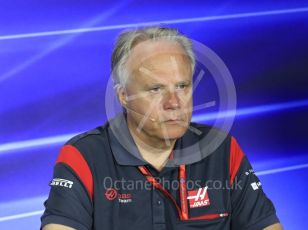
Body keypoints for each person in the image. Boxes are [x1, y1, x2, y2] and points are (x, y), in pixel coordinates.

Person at [41, 26, 283, 230]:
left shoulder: (222, 149)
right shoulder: (84, 156)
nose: (174, 103)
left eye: (182, 86)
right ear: (124, 96)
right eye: (155, 89)